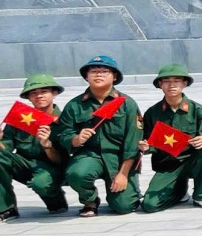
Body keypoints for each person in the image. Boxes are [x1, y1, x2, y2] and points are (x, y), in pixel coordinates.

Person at [54, 56, 140, 217]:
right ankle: (90, 200)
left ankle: (127, 193)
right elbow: (63, 133)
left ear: (114, 77)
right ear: (86, 76)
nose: (99, 75)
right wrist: (76, 139)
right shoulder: (75, 105)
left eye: (104, 71)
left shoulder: (127, 104)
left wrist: (123, 174)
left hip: (118, 158)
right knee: (77, 174)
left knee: (124, 206)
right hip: (89, 155)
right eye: (94, 71)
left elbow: (133, 141)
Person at [139, 64, 202, 212]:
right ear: (160, 84)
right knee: (150, 205)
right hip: (168, 166)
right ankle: (179, 191)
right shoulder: (152, 113)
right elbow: (148, 141)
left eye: (177, 81)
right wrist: (146, 147)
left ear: (184, 84)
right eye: (166, 81)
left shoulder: (197, 110)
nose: (172, 85)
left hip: (192, 161)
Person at [0, 75, 69, 219]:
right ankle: (7, 208)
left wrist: (48, 146)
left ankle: (55, 198)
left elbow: (62, 161)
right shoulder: (19, 119)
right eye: (33, 93)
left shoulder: (64, 121)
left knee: (41, 183)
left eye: (44, 91)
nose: (39, 96)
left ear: (54, 93)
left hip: (53, 169)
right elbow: (5, 153)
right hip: (25, 165)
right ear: (28, 97)